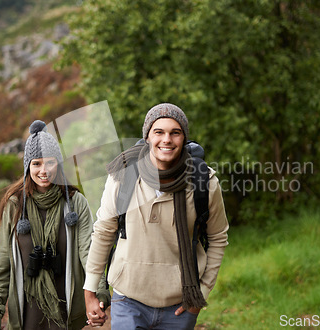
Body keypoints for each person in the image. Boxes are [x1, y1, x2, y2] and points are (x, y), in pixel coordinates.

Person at [83, 103, 229, 329]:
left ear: (184, 138)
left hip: (180, 305)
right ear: (147, 137)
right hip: (127, 299)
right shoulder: (123, 176)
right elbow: (103, 232)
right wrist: (90, 290)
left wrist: (201, 293)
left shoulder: (204, 182)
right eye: (158, 132)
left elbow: (218, 237)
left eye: (175, 132)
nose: (167, 139)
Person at [0, 120, 110, 330]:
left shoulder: (76, 202)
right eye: (37, 163)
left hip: (66, 310)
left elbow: (89, 253)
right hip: (26, 314)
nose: (44, 170)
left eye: (50, 162)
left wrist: (100, 293)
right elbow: (2, 263)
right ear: (27, 166)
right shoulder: (14, 205)